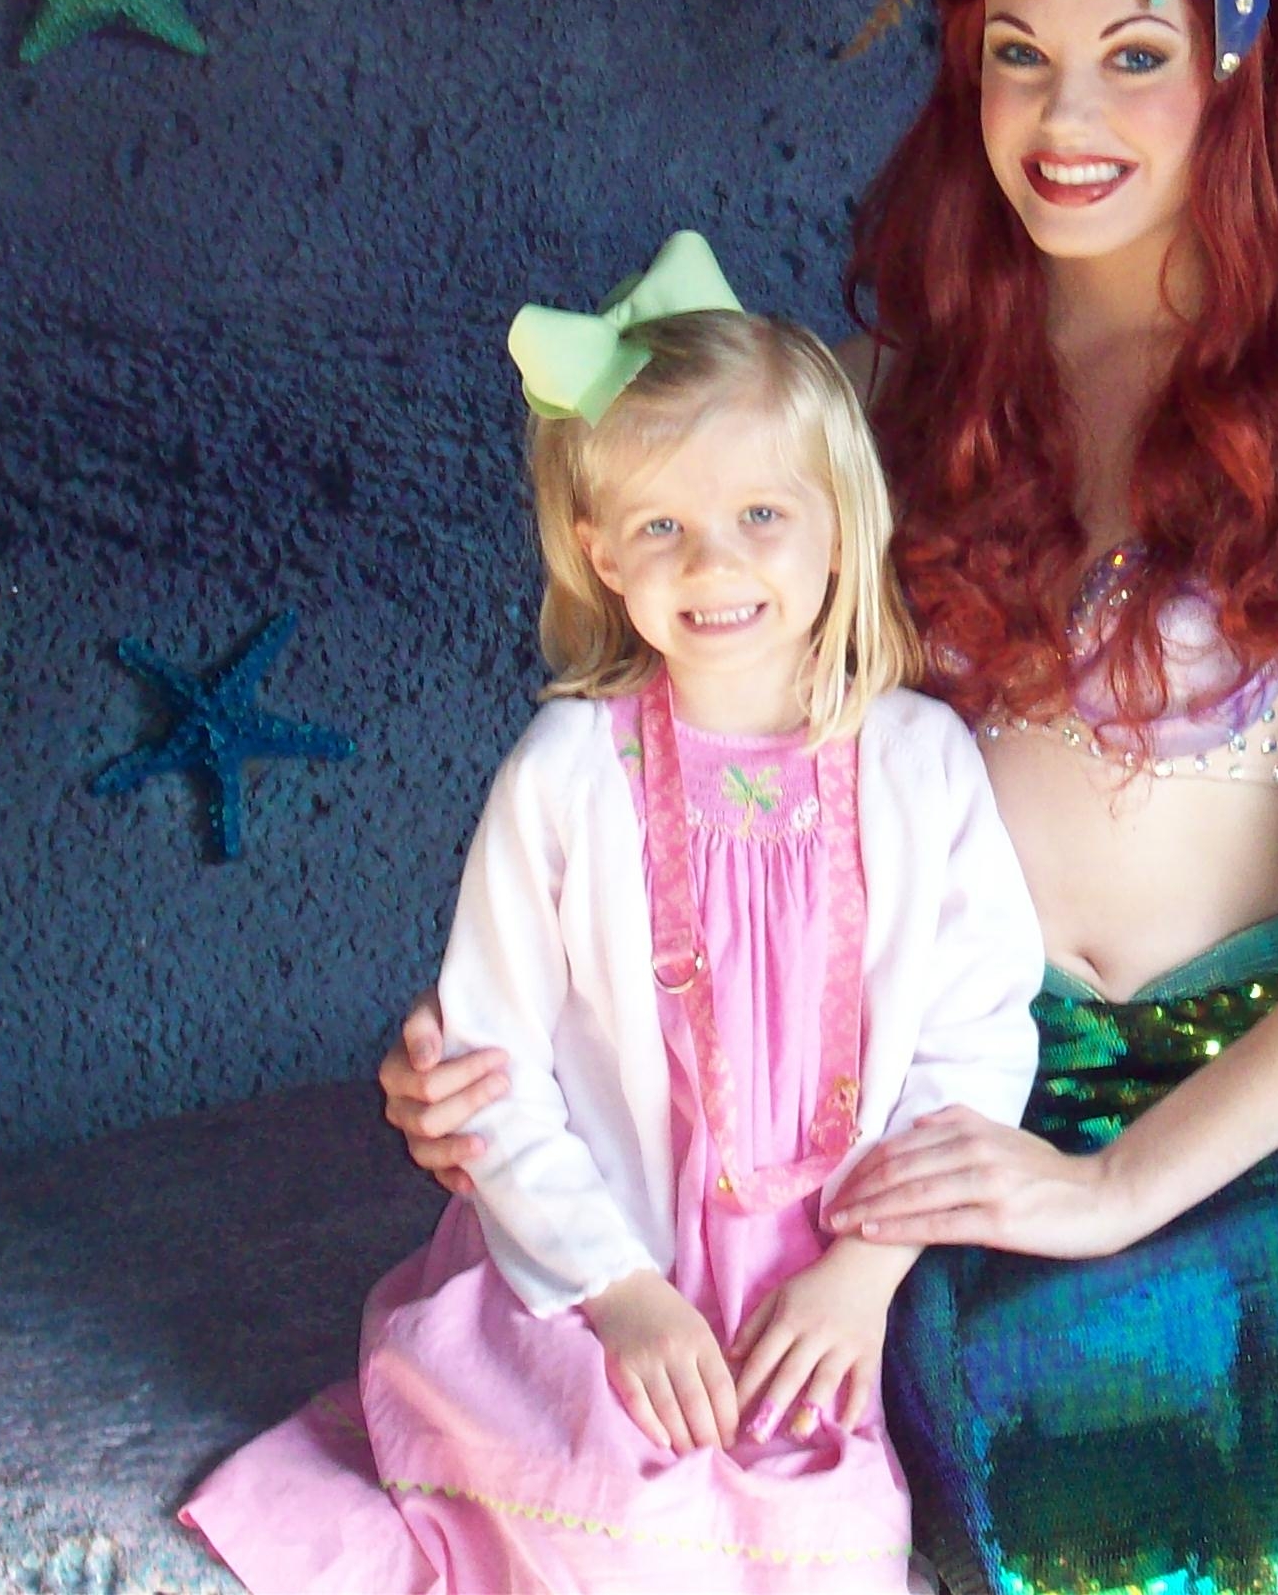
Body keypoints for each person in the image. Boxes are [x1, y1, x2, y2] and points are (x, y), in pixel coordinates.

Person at [384, 0, 1278, 1595]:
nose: (1064, 120)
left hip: (1264, 1091)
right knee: (908, 1483)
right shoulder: (858, 412)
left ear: (1241, 71)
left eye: (1132, 52)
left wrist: (1117, 1186)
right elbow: (665, 779)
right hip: (914, 1096)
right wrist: (484, 1054)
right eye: (1016, 55)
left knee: (1245, 1530)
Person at [184, 235, 1044, 1595]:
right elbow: (490, 1075)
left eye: (763, 515)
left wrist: (862, 1278)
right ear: (600, 553)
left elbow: (976, 1040)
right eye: (662, 528)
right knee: (628, 1523)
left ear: (841, 519)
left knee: (828, 1538)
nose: (717, 563)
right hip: (609, 1267)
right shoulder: (567, 775)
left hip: (830, 1275)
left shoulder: (923, 763)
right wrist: (624, 1298)